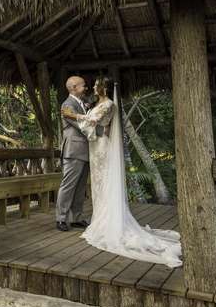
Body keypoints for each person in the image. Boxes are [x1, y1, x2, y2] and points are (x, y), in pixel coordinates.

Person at [70, 78, 183, 267]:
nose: (93, 87)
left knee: (104, 183)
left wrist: (73, 116)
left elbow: (92, 122)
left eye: (97, 85)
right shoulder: (97, 103)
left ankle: (107, 222)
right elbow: (92, 124)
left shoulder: (109, 104)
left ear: (103, 88)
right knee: (98, 185)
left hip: (102, 148)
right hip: (95, 147)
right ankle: (100, 218)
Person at [55, 75, 91, 232]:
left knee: (80, 186)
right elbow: (81, 125)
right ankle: (61, 218)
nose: (86, 88)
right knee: (68, 186)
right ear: (74, 87)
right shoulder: (67, 105)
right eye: (83, 85)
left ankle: (76, 218)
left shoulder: (82, 103)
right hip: (73, 150)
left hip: (85, 151)